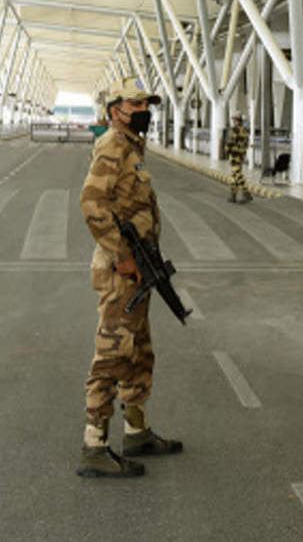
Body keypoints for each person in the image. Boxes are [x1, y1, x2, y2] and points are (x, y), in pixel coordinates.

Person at [77, 76, 182, 478]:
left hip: (139, 267)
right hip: (121, 270)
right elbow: (91, 203)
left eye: (146, 105)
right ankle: (94, 446)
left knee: (139, 351)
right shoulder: (112, 146)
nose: (144, 112)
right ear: (115, 110)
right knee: (112, 353)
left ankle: (136, 431)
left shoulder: (132, 147)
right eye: (136, 106)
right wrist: (121, 257)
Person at [226, 113, 253, 203]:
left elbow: (230, 141)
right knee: (235, 174)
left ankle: (246, 193)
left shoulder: (235, 129)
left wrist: (227, 150)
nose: (233, 121)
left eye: (234, 119)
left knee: (237, 174)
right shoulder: (245, 130)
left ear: (236, 120)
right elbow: (246, 143)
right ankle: (233, 194)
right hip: (242, 154)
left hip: (234, 154)